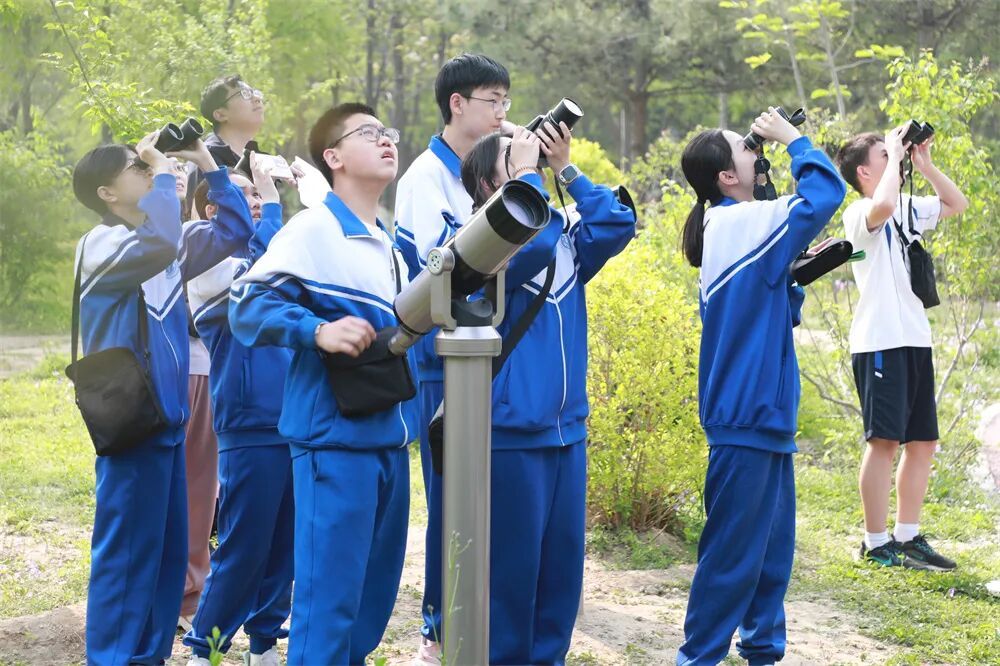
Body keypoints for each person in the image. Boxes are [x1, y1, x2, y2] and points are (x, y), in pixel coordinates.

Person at [230, 103, 418, 665]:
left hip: (387, 438)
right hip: (333, 444)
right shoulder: (313, 229)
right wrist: (316, 329)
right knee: (327, 608)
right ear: (332, 157)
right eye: (368, 134)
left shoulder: (387, 244)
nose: (386, 141)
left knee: (368, 607)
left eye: (388, 132)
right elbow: (246, 305)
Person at [71, 132, 253, 665]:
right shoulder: (101, 245)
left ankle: (148, 656)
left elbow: (234, 230)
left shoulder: (162, 243)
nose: (148, 169)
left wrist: (206, 164)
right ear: (108, 193)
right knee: (127, 554)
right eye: (135, 166)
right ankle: (111, 657)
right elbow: (155, 244)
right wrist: (168, 177)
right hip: (132, 419)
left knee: (168, 555)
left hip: (170, 418)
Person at [459, 122, 636, 664]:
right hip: (511, 431)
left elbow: (616, 223)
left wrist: (565, 169)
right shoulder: (478, 244)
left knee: (561, 575)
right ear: (494, 188)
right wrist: (528, 176)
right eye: (515, 165)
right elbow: (527, 245)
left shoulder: (565, 243)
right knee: (512, 576)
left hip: (566, 431)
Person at [675, 109, 846, 666]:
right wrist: (795, 140)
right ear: (727, 176)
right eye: (746, 148)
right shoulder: (738, 222)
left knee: (771, 558)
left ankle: (762, 654)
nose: (756, 151)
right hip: (747, 415)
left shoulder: (740, 223)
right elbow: (824, 194)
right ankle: (697, 659)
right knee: (730, 560)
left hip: (762, 415)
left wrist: (794, 277)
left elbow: (772, 311)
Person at [393, 52, 511, 664]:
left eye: (506, 103)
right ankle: (438, 627)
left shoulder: (488, 168)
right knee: (449, 491)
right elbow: (434, 274)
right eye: (492, 101)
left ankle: (478, 613)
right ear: (457, 105)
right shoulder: (423, 179)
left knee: (485, 490)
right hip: (441, 359)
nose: (502, 115)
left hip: (485, 352)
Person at [835, 125, 968, 570]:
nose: (894, 156)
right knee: (884, 442)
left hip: (914, 337)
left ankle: (907, 536)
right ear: (863, 171)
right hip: (879, 340)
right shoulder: (858, 212)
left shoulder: (908, 207)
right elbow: (884, 204)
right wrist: (895, 154)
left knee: (924, 442)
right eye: (882, 154)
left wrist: (924, 165)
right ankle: (875, 543)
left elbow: (956, 204)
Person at [186, 74, 266, 209]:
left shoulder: (258, 160)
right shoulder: (205, 157)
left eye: (254, 93)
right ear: (221, 114)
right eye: (245, 94)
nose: (257, 99)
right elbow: (201, 219)